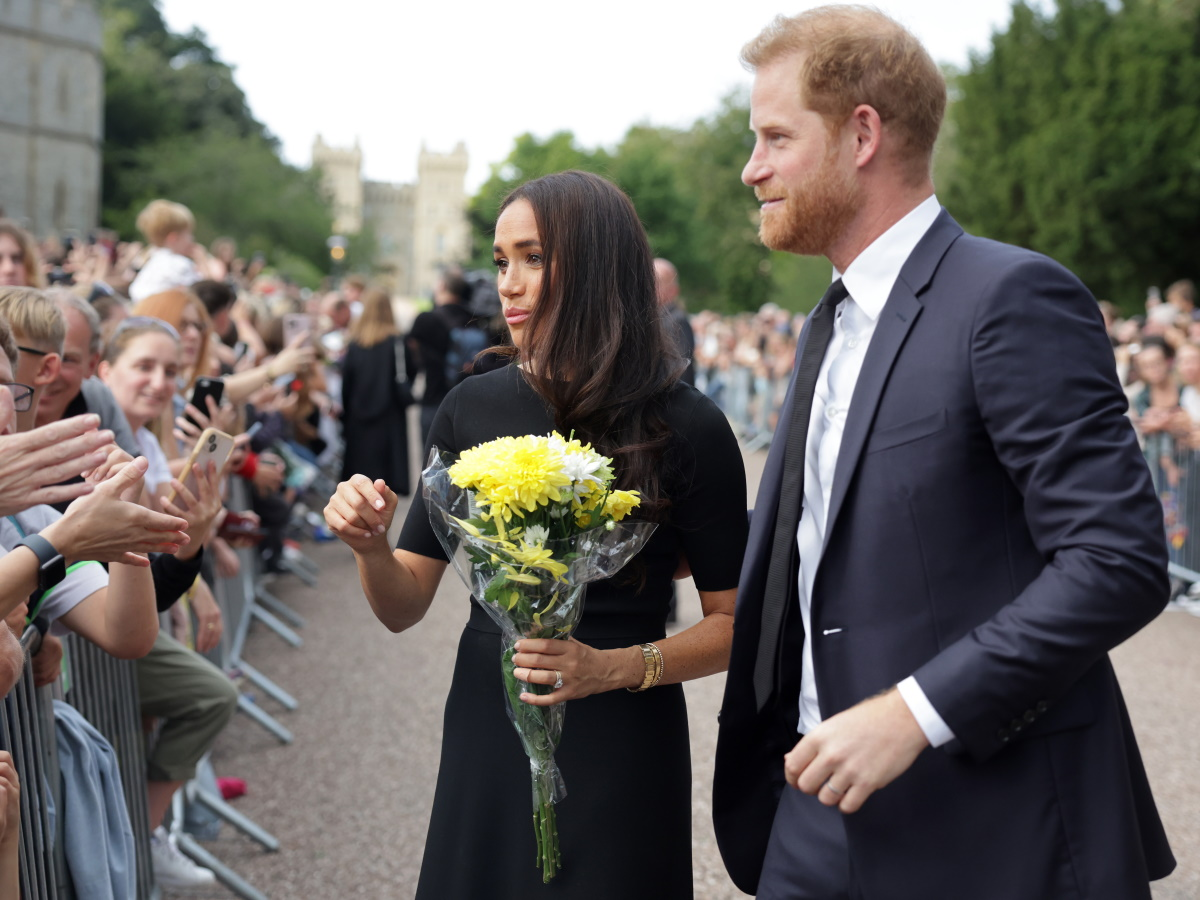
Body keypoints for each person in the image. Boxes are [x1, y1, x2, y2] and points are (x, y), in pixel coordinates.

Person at [713, 8, 1174, 900]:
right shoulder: (826, 324)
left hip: (989, 825)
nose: (751, 168)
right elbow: (831, 541)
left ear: (861, 134)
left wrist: (916, 713)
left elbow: (1119, 560)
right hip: (807, 817)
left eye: (774, 137)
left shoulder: (1011, 297)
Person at [325, 170, 748, 898]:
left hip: (623, 734)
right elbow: (402, 606)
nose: (509, 285)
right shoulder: (469, 408)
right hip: (488, 718)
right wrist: (369, 545)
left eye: (534, 258)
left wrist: (612, 668)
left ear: (595, 267)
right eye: (499, 261)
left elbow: (736, 624)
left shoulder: (688, 425)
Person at [339, 287, 412, 495]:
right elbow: (409, 374)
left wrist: (345, 419)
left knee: (358, 488)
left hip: (358, 422)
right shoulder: (397, 342)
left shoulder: (355, 344)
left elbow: (347, 387)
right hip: (389, 423)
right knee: (383, 490)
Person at [654, 258, 695, 385]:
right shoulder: (658, 318)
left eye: (658, 281)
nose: (650, 284)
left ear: (674, 290)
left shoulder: (676, 320)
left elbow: (679, 370)